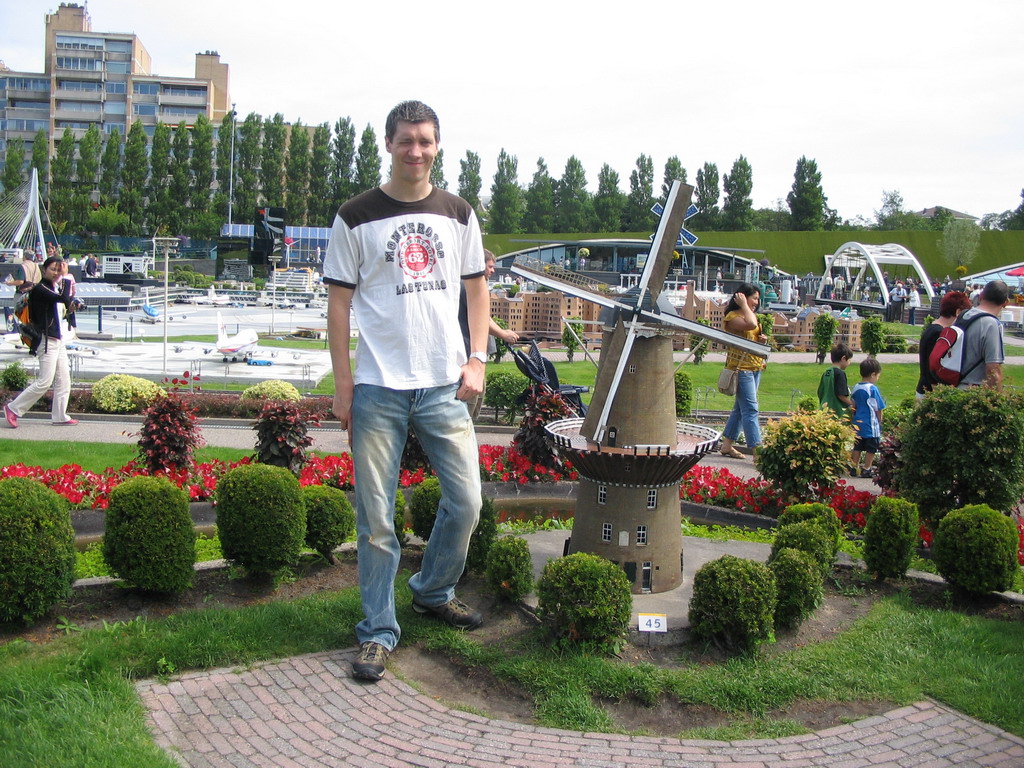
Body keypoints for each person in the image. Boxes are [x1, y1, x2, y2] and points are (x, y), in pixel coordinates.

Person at [323, 100, 488, 683]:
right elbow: (338, 306)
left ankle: (432, 589)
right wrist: (344, 386)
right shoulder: (355, 216)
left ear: (437, 146)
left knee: (466, 501)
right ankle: (376, 631)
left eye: (425, 141)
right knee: (375, 518)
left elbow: (476, 291)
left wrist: (477, 359)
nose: (414, 151)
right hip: (378, 389)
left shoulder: (459, 213)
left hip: (445, 384)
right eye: (405, 140)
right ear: (388, 144)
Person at [4, 257, 83, 429]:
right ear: (44, 269)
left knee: (64, 380)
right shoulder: (41, 289)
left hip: (57, 338)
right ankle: (13, 408)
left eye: (59, 269)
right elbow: (63, 298)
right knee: (45, 381)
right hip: (46, 340)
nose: (56, 273)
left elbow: (64, 304)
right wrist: (67, 277)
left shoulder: (53, 287)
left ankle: (60, 416)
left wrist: (71, 306)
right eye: (53, 269)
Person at [459, 250, 519, 420]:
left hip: (477, 357)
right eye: (490, 266)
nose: (493, 270)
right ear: (479, 265)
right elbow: (482, 318)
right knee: (468, 409)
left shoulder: (475, 286)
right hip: (469, 356)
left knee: (475, 405)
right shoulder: (468, 287)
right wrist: (503, 334)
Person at [718, 283, 767, 459]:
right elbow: (751, 324)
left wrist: (761, 341)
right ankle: (757, 450)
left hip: (755, 367)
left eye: (757, 299)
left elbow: (752, 331)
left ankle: (727, 446)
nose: (756, 302)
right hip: (742, 369)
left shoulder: (749, 314)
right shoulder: (732, 317)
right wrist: (745, 306)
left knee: (740, 409)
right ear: (742, 297)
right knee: (751, 410)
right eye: (754, 298)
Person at [916, 291, 971, 397]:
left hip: (926, 389)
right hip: (930, 391)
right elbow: (932, 367)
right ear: (958, 312)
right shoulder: (939, 333)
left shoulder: (933, 328)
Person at [958, 280, 1009, 390]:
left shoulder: (964, 315)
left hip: (951, 386)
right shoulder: (991, 324)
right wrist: (998, 402)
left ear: (981, 296)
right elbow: (993, 370)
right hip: (973, 392)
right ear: (1005, 302)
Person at [849, 357, 886, 479]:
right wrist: (880, 421)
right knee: (871, 447)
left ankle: (854, 467)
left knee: (858, 446)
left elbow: (853, 405)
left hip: (858, 423)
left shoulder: (856, 387)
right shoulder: (872, 388)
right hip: (871, 424)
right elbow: (878, 407)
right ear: (873, 374)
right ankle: (867, 468)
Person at [818, 343, 853, 418]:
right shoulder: (840, 373)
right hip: (836, 411)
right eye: (849, 360)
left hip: (824, 409)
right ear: (843, 358)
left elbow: (820, 391)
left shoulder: (826, 372)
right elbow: (841, 395)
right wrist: (852, 404)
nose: (850, 363)